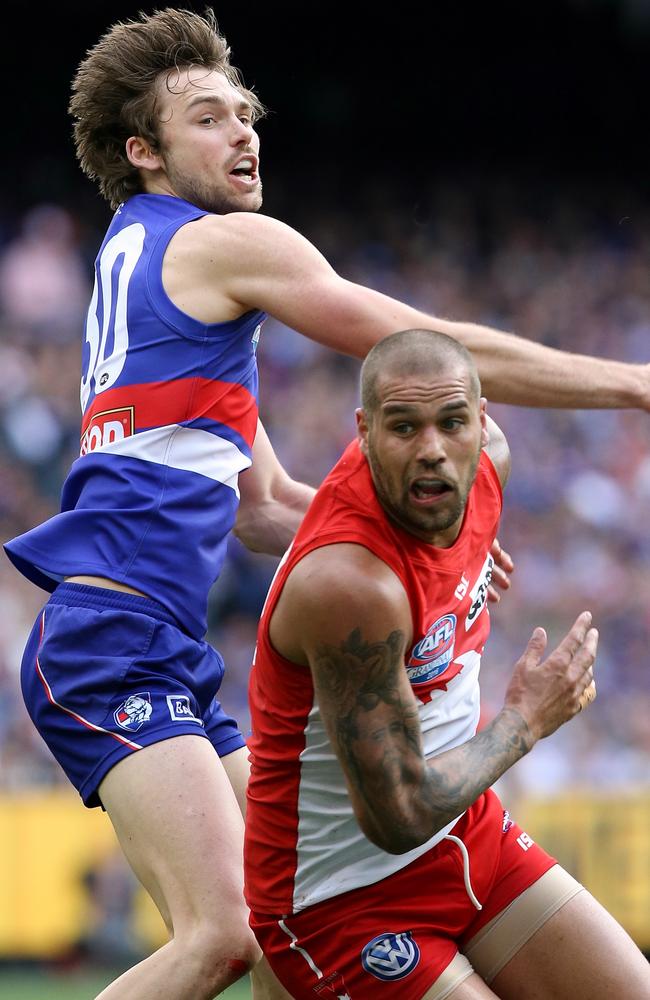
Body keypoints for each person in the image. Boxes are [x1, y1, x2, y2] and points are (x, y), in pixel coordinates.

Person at [3, 7, 650, 999]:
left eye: (245, 113)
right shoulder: (219, 248)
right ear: (144, 151)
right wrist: (630, 382)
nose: (242, 132)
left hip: (144, 637)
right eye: (209, 117)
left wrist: (423, 554)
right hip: (112, 636)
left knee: (280, 911)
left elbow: (261, 506)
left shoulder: (143, 269)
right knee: (218, 938)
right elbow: (431, 348)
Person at [244, 328, 650, 1000]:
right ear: (365, 431)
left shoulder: (487, 467)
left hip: (469, 835)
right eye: (403, 427)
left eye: (451, 422)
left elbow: (447, 549)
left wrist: (467, 559)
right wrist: (525, 720)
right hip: (342, 904)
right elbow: (398, 815)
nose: (432, 450)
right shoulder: (349, 584)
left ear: (481, 422)